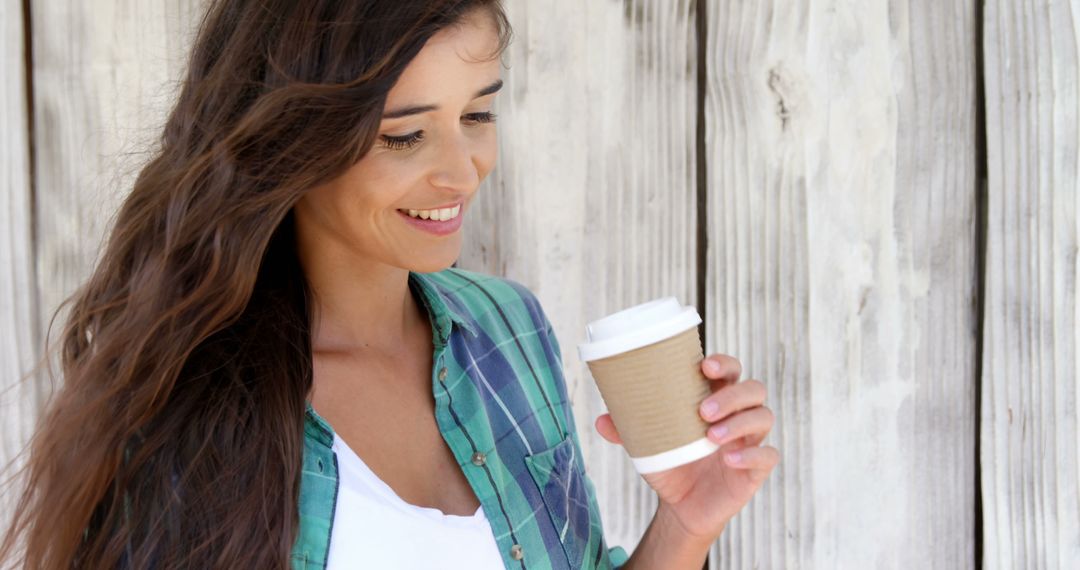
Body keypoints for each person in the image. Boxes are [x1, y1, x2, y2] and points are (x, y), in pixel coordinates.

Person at [0, 1, 779, 568]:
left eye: (476, 116)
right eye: (405, 134)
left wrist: (684, 523)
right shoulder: (190, 399)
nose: (461, 169)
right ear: (291, 139)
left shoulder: (507, 330)